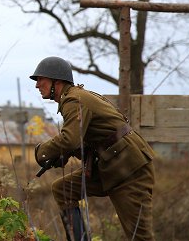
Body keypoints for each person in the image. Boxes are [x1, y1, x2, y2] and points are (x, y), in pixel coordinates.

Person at [30, 56, 155, 241]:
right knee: (63, 189)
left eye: (41, 79)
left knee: (139, 236)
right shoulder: (74, 98)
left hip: (129, 169)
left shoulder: (74, 100)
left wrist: (41, 152)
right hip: (112, 166)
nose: (37, 85)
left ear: (57, 81)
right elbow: (81, 139)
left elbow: (69, 139)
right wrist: (65, 154)